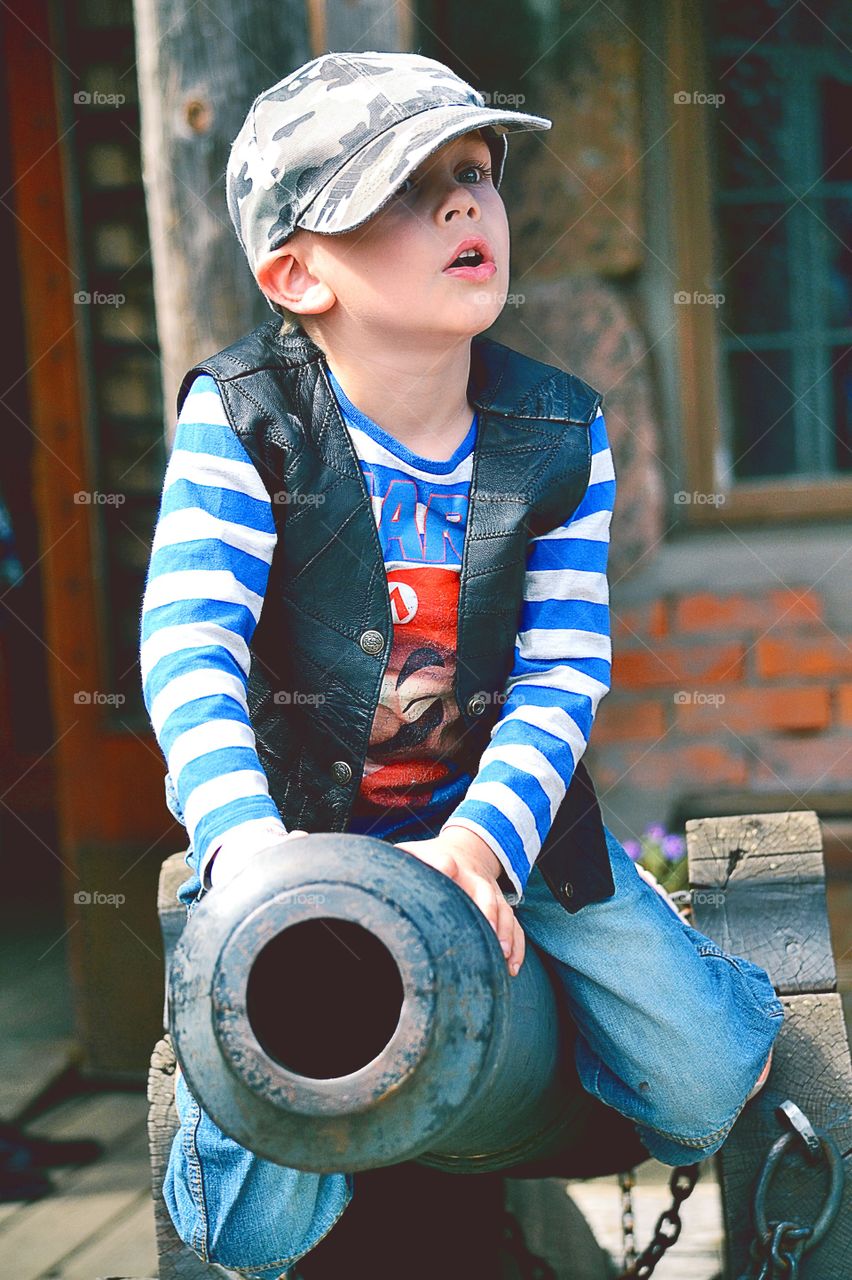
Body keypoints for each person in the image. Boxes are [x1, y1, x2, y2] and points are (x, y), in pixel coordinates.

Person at [139, 50, 782, 1279]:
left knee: (705, 1082)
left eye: (475, 172)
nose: (463, 204)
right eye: (404, 189)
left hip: (498, 836)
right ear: (296, 272)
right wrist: (250, 850)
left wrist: (482, 848)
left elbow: (560, 673)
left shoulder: (560, 430)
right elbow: (189, 643)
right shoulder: (245, 420)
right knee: (246, 1227)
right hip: (309, 846)